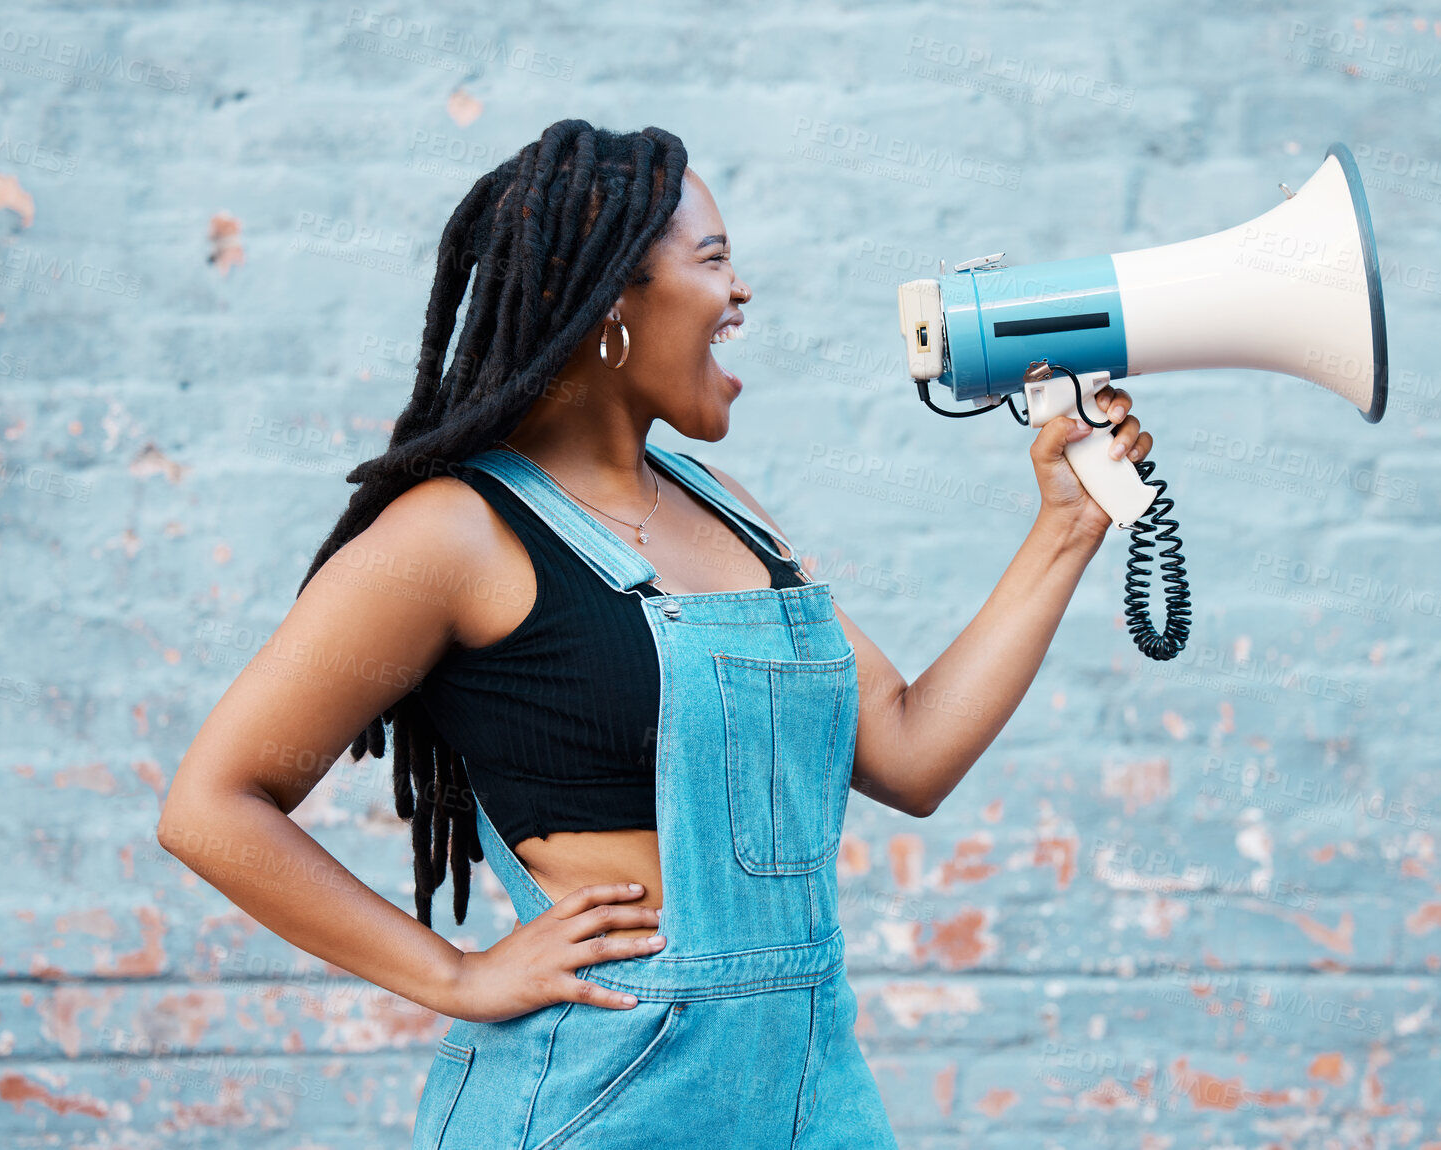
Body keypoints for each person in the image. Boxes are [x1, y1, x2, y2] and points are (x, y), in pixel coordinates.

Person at [157, 118, 1152, 1149]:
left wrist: (1066, 525)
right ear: (610, 303)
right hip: (608, 1088)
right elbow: (211, 805)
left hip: (813, 1080)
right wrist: (454, 974)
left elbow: (908, 751)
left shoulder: (721, 506)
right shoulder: (451, 534)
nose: (741, 292)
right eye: (713, 259)